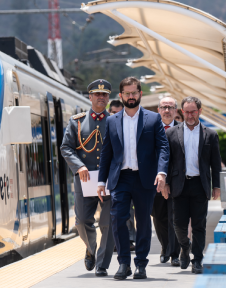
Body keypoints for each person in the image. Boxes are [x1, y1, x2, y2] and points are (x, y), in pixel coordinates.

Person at [97, 76, 169, 280]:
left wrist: (161, 172)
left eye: (134, 93)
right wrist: (101, 181)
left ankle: (141, 265)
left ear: (140, 94)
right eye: (127, 93)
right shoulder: (111, 121)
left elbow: (163, 147)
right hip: (121, 178)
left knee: (144, 222)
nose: (131, 96)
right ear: (121, 95)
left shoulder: (153, 119)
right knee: (118, 219)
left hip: (144, 178)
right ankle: (123, 263)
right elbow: (106, 153)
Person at [60, 79, 115, 277]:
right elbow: (65, 148)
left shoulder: (115, 120)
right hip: (85, 180)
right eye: (97, 94)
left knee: (108, 224)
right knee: (82, 221)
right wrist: (79, 165)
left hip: (109, 180)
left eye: (105, 94)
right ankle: (91, 249)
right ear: (90, 97)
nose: (101, 97)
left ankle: (102, 264)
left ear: (109, 98)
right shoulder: (77, 121)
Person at [164, 96, 222, 274]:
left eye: (193, 112)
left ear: (199, 111)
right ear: (182, 112)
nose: (190, 115)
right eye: (186, 112)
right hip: (178, 185)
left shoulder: (210, 134)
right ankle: (185, 246)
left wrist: (217, 186)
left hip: (200, 184)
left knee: (199, 225)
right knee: (178, 224)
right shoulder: (171, 133)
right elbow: (165, 160)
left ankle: (197, 259)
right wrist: (165, 182)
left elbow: (216, 162)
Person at [152, 96, 181, 267]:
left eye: (170, 107)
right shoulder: (151, 129)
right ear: (158, 110)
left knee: (175, 218)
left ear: (176, 111)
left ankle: (175, 254)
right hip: (155, 182)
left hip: (177, 182)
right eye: (164, 107)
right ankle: (165, 248)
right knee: (159, 217)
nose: (167, 110)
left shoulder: (182, 129)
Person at [108, 99, 137, 250]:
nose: (116, 115)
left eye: (119, 112)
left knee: (128, 211)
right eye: (113, 112)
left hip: (128, 175)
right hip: (110, 175)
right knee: (115, 214)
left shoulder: (130, 124)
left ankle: (130, 239)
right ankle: (115, 241)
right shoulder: (110, 124)